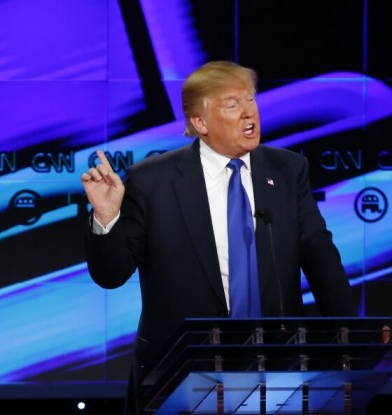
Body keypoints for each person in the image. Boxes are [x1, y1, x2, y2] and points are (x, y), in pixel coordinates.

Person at [81, 61, 356, 415]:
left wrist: (350, 345)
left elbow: (320, 257)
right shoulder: (153, 180)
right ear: (200, 122)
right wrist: (106, 218)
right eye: (232, 104)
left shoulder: (287, 170)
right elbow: (111, 274)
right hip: (180, 373)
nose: (248, 113)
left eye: (251, 100)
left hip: (276, 372)